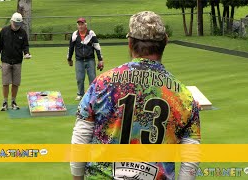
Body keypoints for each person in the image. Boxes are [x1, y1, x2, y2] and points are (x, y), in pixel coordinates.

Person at [70, 11, 201, 180]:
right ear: (165, 42)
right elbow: (191, 156)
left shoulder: (102, 83)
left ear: (130, 43)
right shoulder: (184, 95)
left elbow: (81, 137)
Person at [0, 12, 31, 111]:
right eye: (15, 24)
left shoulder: (23, 32)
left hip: (18, 61)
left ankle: (13, 101)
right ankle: (5, 102)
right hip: (6, 60)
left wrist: (26, 53)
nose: (16, 26)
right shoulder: (4, 31)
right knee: (5, 83)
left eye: (18, 25)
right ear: (11, 21)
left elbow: (25, 46)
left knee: (16, 83)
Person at [67, 17, 104, 101]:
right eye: (79, 24)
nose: (80, 26)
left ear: (85, 25)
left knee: (92, 78)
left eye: (82, 24)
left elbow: (97, 46)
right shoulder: (74, 35)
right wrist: (69, 58)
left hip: (90, 59)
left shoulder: (91, 33)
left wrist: (100, 59)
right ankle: (80, 94)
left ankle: (92, 95)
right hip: (79, 60)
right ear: (77, 25)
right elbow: (71, 48)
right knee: (80, 78)